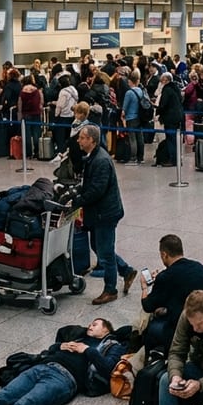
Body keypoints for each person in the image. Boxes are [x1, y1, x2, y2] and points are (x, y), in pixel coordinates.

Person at [0, 318, 126, 405]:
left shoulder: (113, 346)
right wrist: (60, 346)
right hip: (42, 367)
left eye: (95, 324)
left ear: (106, 329)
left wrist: (87, 350)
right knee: (2, 397)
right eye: (90, 324)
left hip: (64, 378)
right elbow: (50, 350)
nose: (90, 326)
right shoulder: (79, 337)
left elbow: (108, 368)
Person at [69, 125, 134, 305]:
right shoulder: (93, 157)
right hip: (98, 212)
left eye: (82, 138)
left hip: (105, 213)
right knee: (99, 247)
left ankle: (110, 290)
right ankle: (126, 270)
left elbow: (97, 190)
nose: (79, 140)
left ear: (92, 140)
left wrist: (79, 200)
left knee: (104, 251)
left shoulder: (101, 161)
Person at [141, 234, 203, 353]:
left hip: (182, 329)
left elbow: (147, 306)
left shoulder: (165, 277)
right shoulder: (198, 267)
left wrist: (144, 287)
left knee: (151, 327)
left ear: (164, 254)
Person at [156, 73, 183, 167]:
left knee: (170, 138)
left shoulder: (166, 90)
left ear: (166, 80)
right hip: (177, 116)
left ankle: (173, 159)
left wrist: (157, 110)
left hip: (170, 117)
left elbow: (163, 104)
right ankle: (177, 158)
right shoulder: (175, 88)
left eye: (162, 81)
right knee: (175, 138)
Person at [121, 70, 146, 165]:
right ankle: (141, 157)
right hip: (139, 117)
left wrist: (122, 116)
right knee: (140, 137)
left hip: (131, 118)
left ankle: (133, 157)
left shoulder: (129, 93)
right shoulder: (140, 90)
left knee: (132, 138)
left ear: (131, 81)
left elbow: (124, 108)